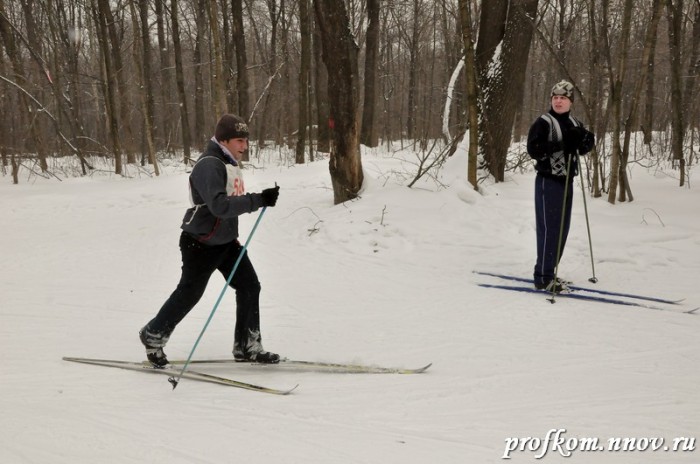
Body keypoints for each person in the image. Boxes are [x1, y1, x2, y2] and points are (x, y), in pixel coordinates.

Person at [139, 114, 281, 367]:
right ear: (223, 139)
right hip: (200, 243)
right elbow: (219, 206)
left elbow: (227, 205)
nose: (244, 146)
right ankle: (153, 335)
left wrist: (252, 206)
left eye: (246, 140)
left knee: (250, 286)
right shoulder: (209, 164)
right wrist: (258, 200)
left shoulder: (227, 162)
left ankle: (248, 346)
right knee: (190, 293)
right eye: (239, 140)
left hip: (225, 243)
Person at [527, 81, 595, 293]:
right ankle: (543, 276)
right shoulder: (543, 122)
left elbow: (583, 148)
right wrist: (562, 144)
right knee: (550, 229)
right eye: (555, 97)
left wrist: (586, 138)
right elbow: (534, 150)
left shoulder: (575, 122)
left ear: (570, 102)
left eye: (563, 98)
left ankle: (550, 271)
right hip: (548, 181)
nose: (558, 101)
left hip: (567, 181)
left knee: (562, 229)